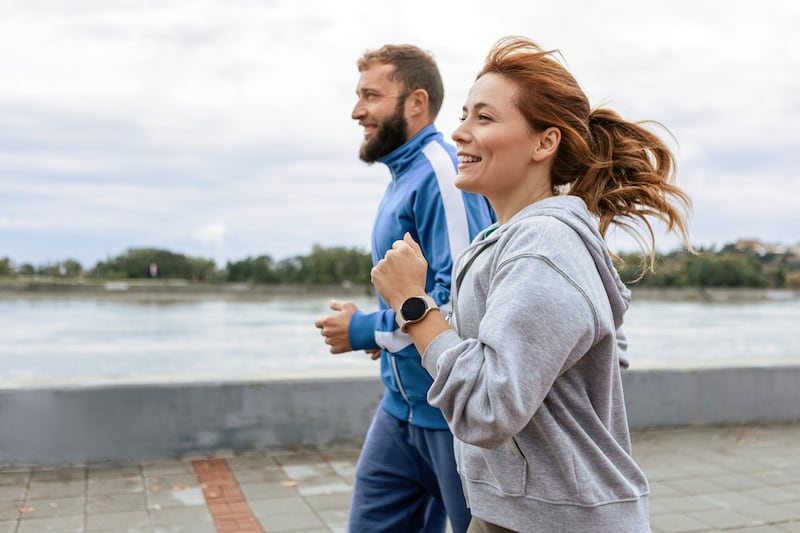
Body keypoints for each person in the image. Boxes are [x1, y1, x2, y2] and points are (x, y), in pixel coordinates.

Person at [371, 36, 692, 532]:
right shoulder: (511, 240)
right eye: (463, 114)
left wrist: (414, 305)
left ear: (545, 142)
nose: (458, 132)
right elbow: (595, 350)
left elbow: (486, 408)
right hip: (513, 511)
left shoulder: (543, 245)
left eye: (485, 117)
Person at [314, 44, 495, 532]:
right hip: (400, 412)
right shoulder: (405, 174)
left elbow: (461, 304)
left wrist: (364, 330)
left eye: (370, 96)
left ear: (416, 102)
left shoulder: (441, 173)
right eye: (358, 96)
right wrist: (379, 329)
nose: (357, 111)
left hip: (448, 420)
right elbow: (409, 293)